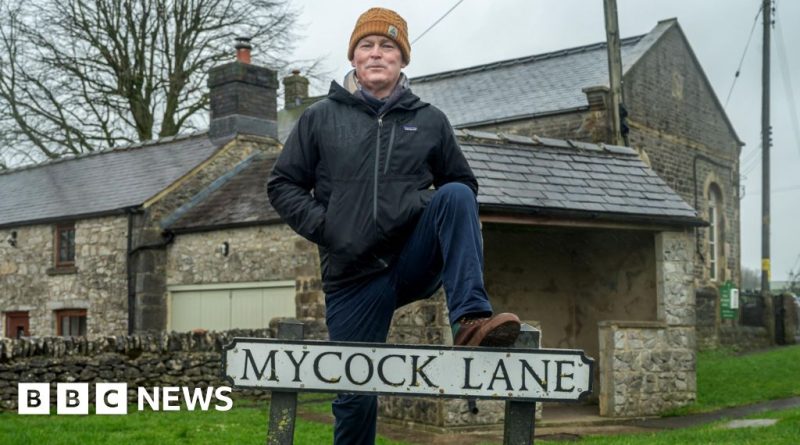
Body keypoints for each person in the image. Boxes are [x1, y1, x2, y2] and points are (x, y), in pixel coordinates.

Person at [267, 7, 521, 444]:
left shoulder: (430, 120)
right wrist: (328, 229)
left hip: (409, 261)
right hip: (352, 276)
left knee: (456, 195)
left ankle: (471, 320)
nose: (376, 54)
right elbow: (283, 184)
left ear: (403, 59)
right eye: (367, 46)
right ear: (354, 58)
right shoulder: (320, 118)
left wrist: (420, 201)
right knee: (354, 396)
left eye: (388, 46)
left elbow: (461, 182)